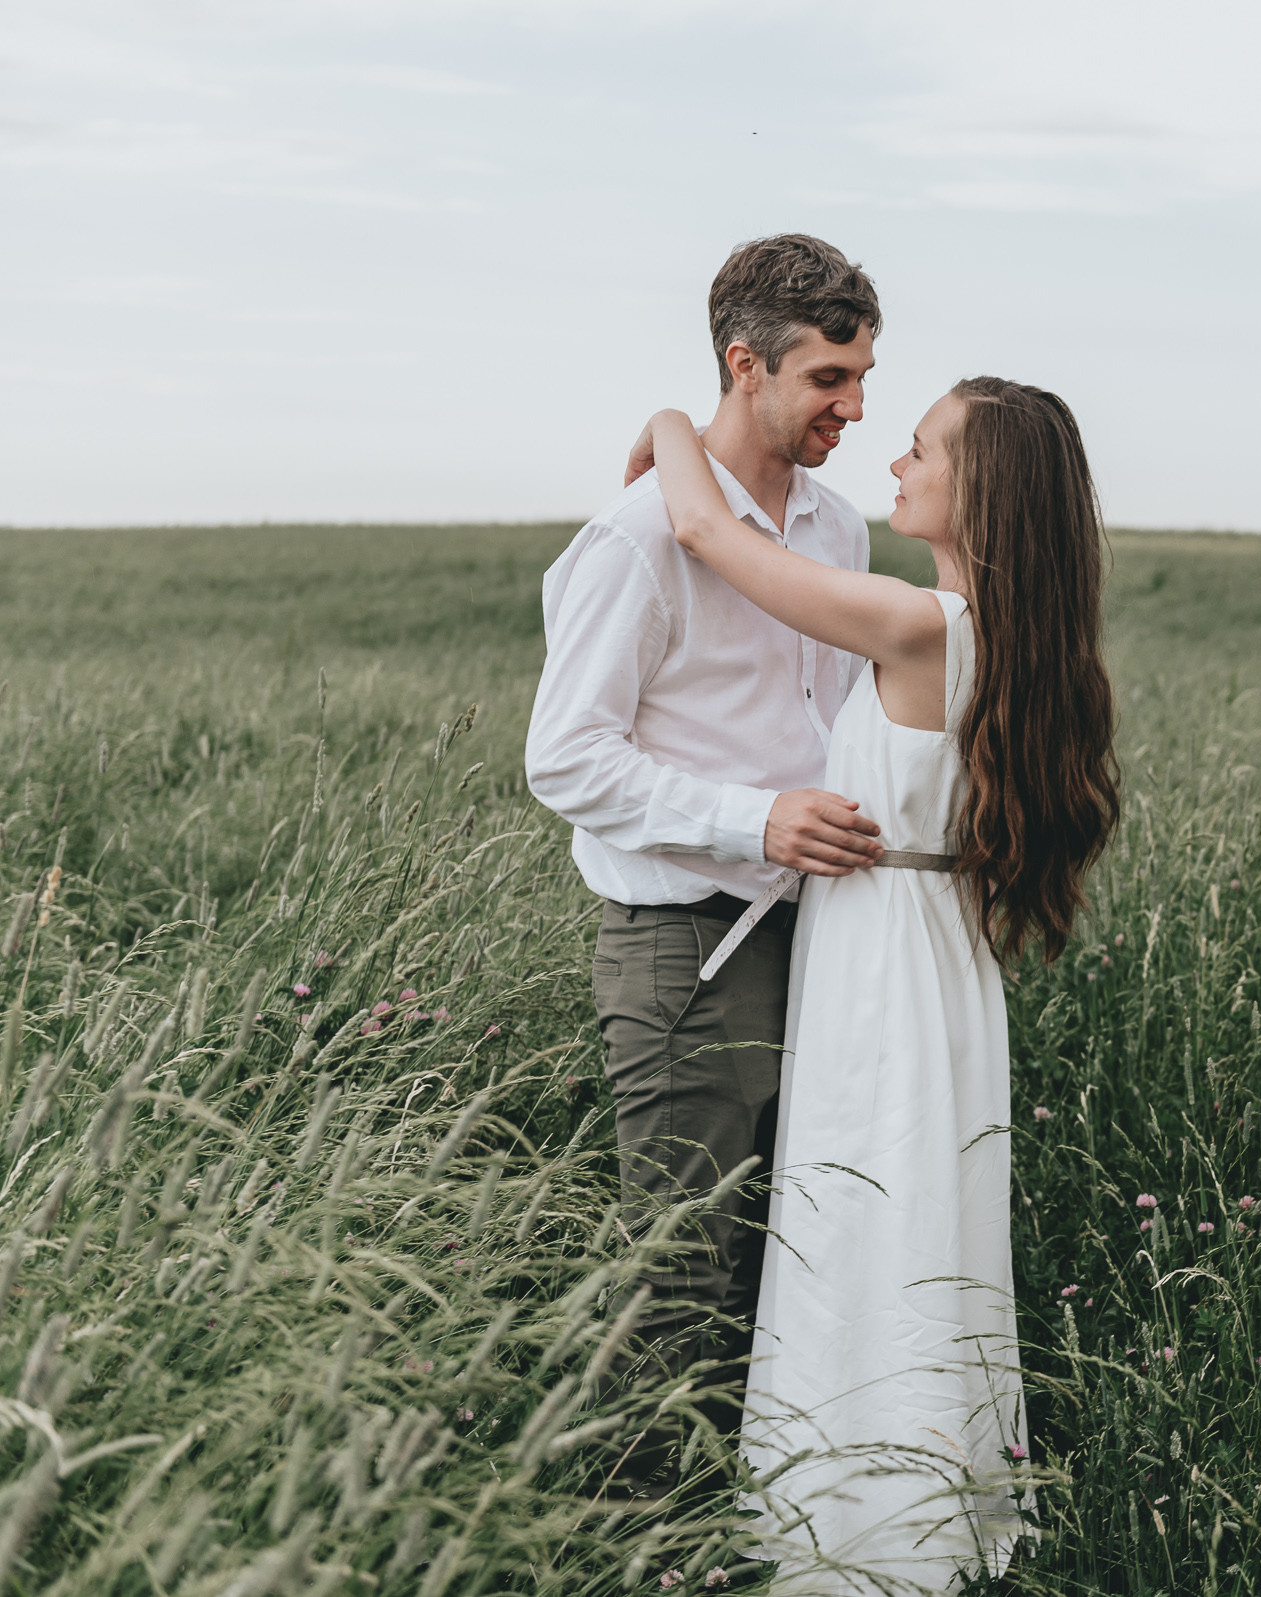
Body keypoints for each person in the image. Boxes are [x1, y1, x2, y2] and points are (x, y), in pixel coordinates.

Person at [633, 375, 1117, 1591]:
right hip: (934, 952)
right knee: (918, 1218)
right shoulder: (1013, 636)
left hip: (883, 965)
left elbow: (705, 529)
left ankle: (857, 1538)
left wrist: (670, 427)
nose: (895, 465)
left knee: (867, 1215)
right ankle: (919, 1513)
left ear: (982, 492)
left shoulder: (923, 625)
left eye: (921, 449)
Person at [524, 234, 890, 1498]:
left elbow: (841, 715)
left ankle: (773, 1519)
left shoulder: (837, 527)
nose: (855, 407)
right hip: (685, 951)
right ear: (748, 364)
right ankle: (637, 1537)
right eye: (830, 379)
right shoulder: (638, 541)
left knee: (800, 1259)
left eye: (863, 378)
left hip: (828, 943)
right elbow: (563, 758)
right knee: (680, 1279)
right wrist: (756, 820)